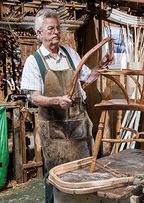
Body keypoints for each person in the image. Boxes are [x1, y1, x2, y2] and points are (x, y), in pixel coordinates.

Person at [21, 9, 94, 203]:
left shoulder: (70, 54)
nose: (56, 32)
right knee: (55, 178)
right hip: (55, 131)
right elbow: (35, 98)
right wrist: (56, 100)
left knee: (82, 174)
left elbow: (88, 77)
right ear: (39, 33)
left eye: (58, 28)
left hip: (79, 127)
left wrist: (101, 66)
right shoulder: (33, 61)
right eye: (51, 28)